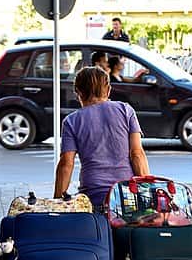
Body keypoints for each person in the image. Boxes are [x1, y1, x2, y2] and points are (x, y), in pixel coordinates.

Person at [54, 67, 150, 210]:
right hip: (126, 194)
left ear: (78, 93)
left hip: (93, 197)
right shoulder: (126, 110)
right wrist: (146, 192)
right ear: (108, 90)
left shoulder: (71, 121)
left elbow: (66, 164)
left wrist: (57, 200)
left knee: (98, 230)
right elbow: (137, 153)